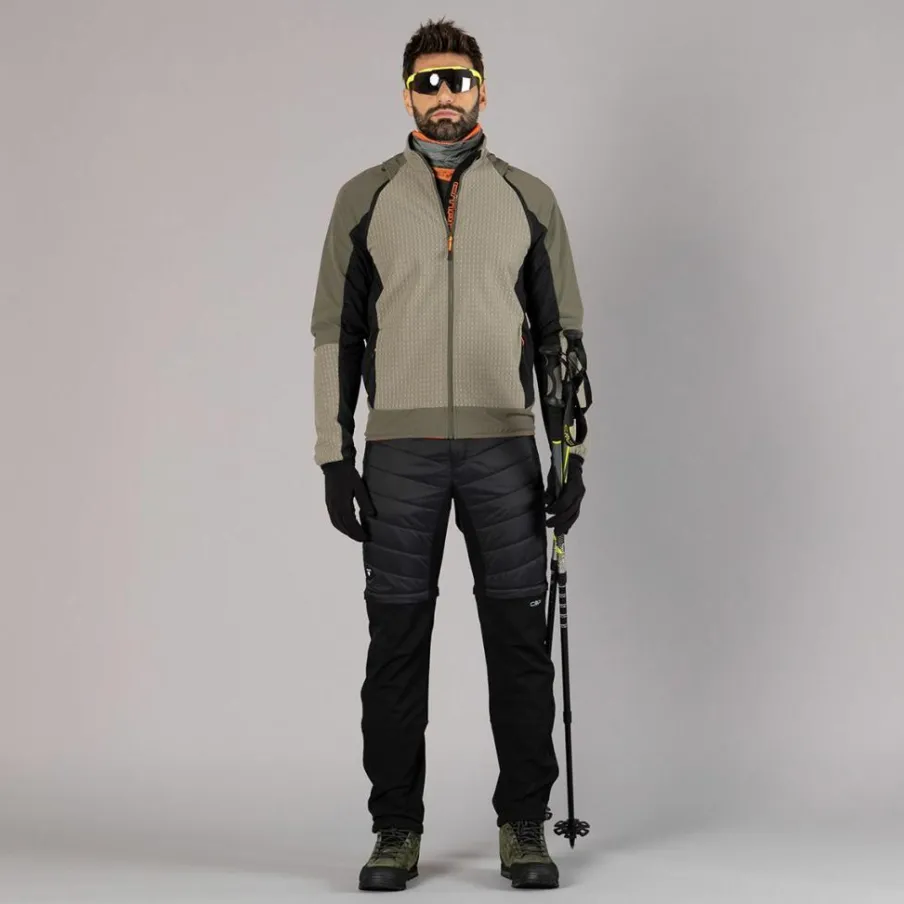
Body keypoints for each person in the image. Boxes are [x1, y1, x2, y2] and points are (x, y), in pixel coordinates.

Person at [310, 17, 591, 892]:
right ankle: (395, 829)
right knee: (396, 645)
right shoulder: (363, 198)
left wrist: (571, 454)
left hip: (504, 454)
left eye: (457, 81)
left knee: (518, 644)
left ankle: (523, 826)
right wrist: (333, 456)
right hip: (400, 457)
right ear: (406, 95)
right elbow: (337, 334)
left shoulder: (528, 197)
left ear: (482, 92)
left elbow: (561, 338)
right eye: (427, 82)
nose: (443, 96)